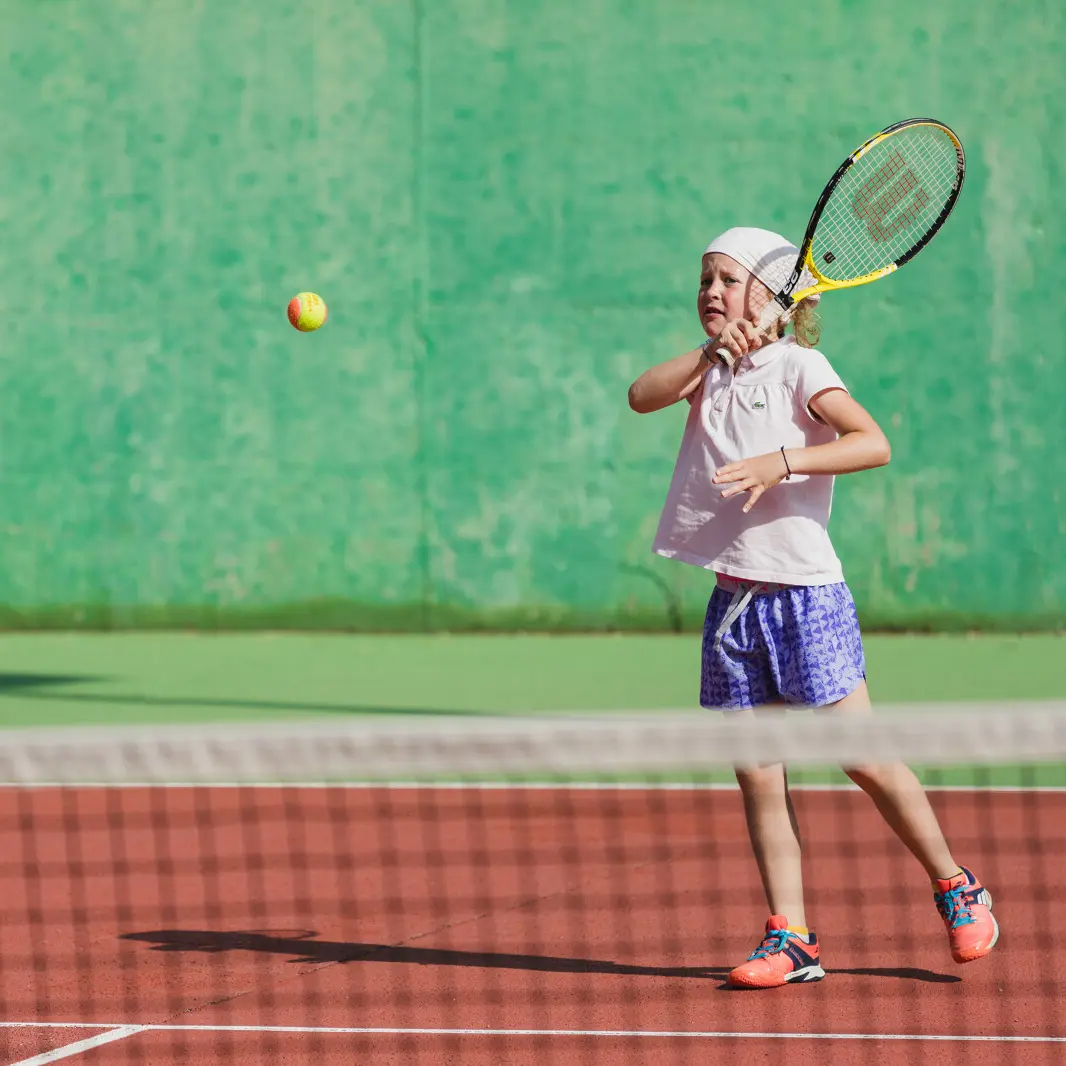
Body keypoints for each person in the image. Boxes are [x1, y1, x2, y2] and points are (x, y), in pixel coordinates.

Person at [626, 227, 998, 989]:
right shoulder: (709, 372)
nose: (712, 293)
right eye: (705, 280)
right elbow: (640, 396)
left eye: (729, 280)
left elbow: (872, 442)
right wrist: (710, 354)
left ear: (771, 294)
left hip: (807, 600)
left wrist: (785, 460)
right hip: (733, 605)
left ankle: (957, 885)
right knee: (759, 774)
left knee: (863, 757)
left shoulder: (801, 364)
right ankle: (792, 939)